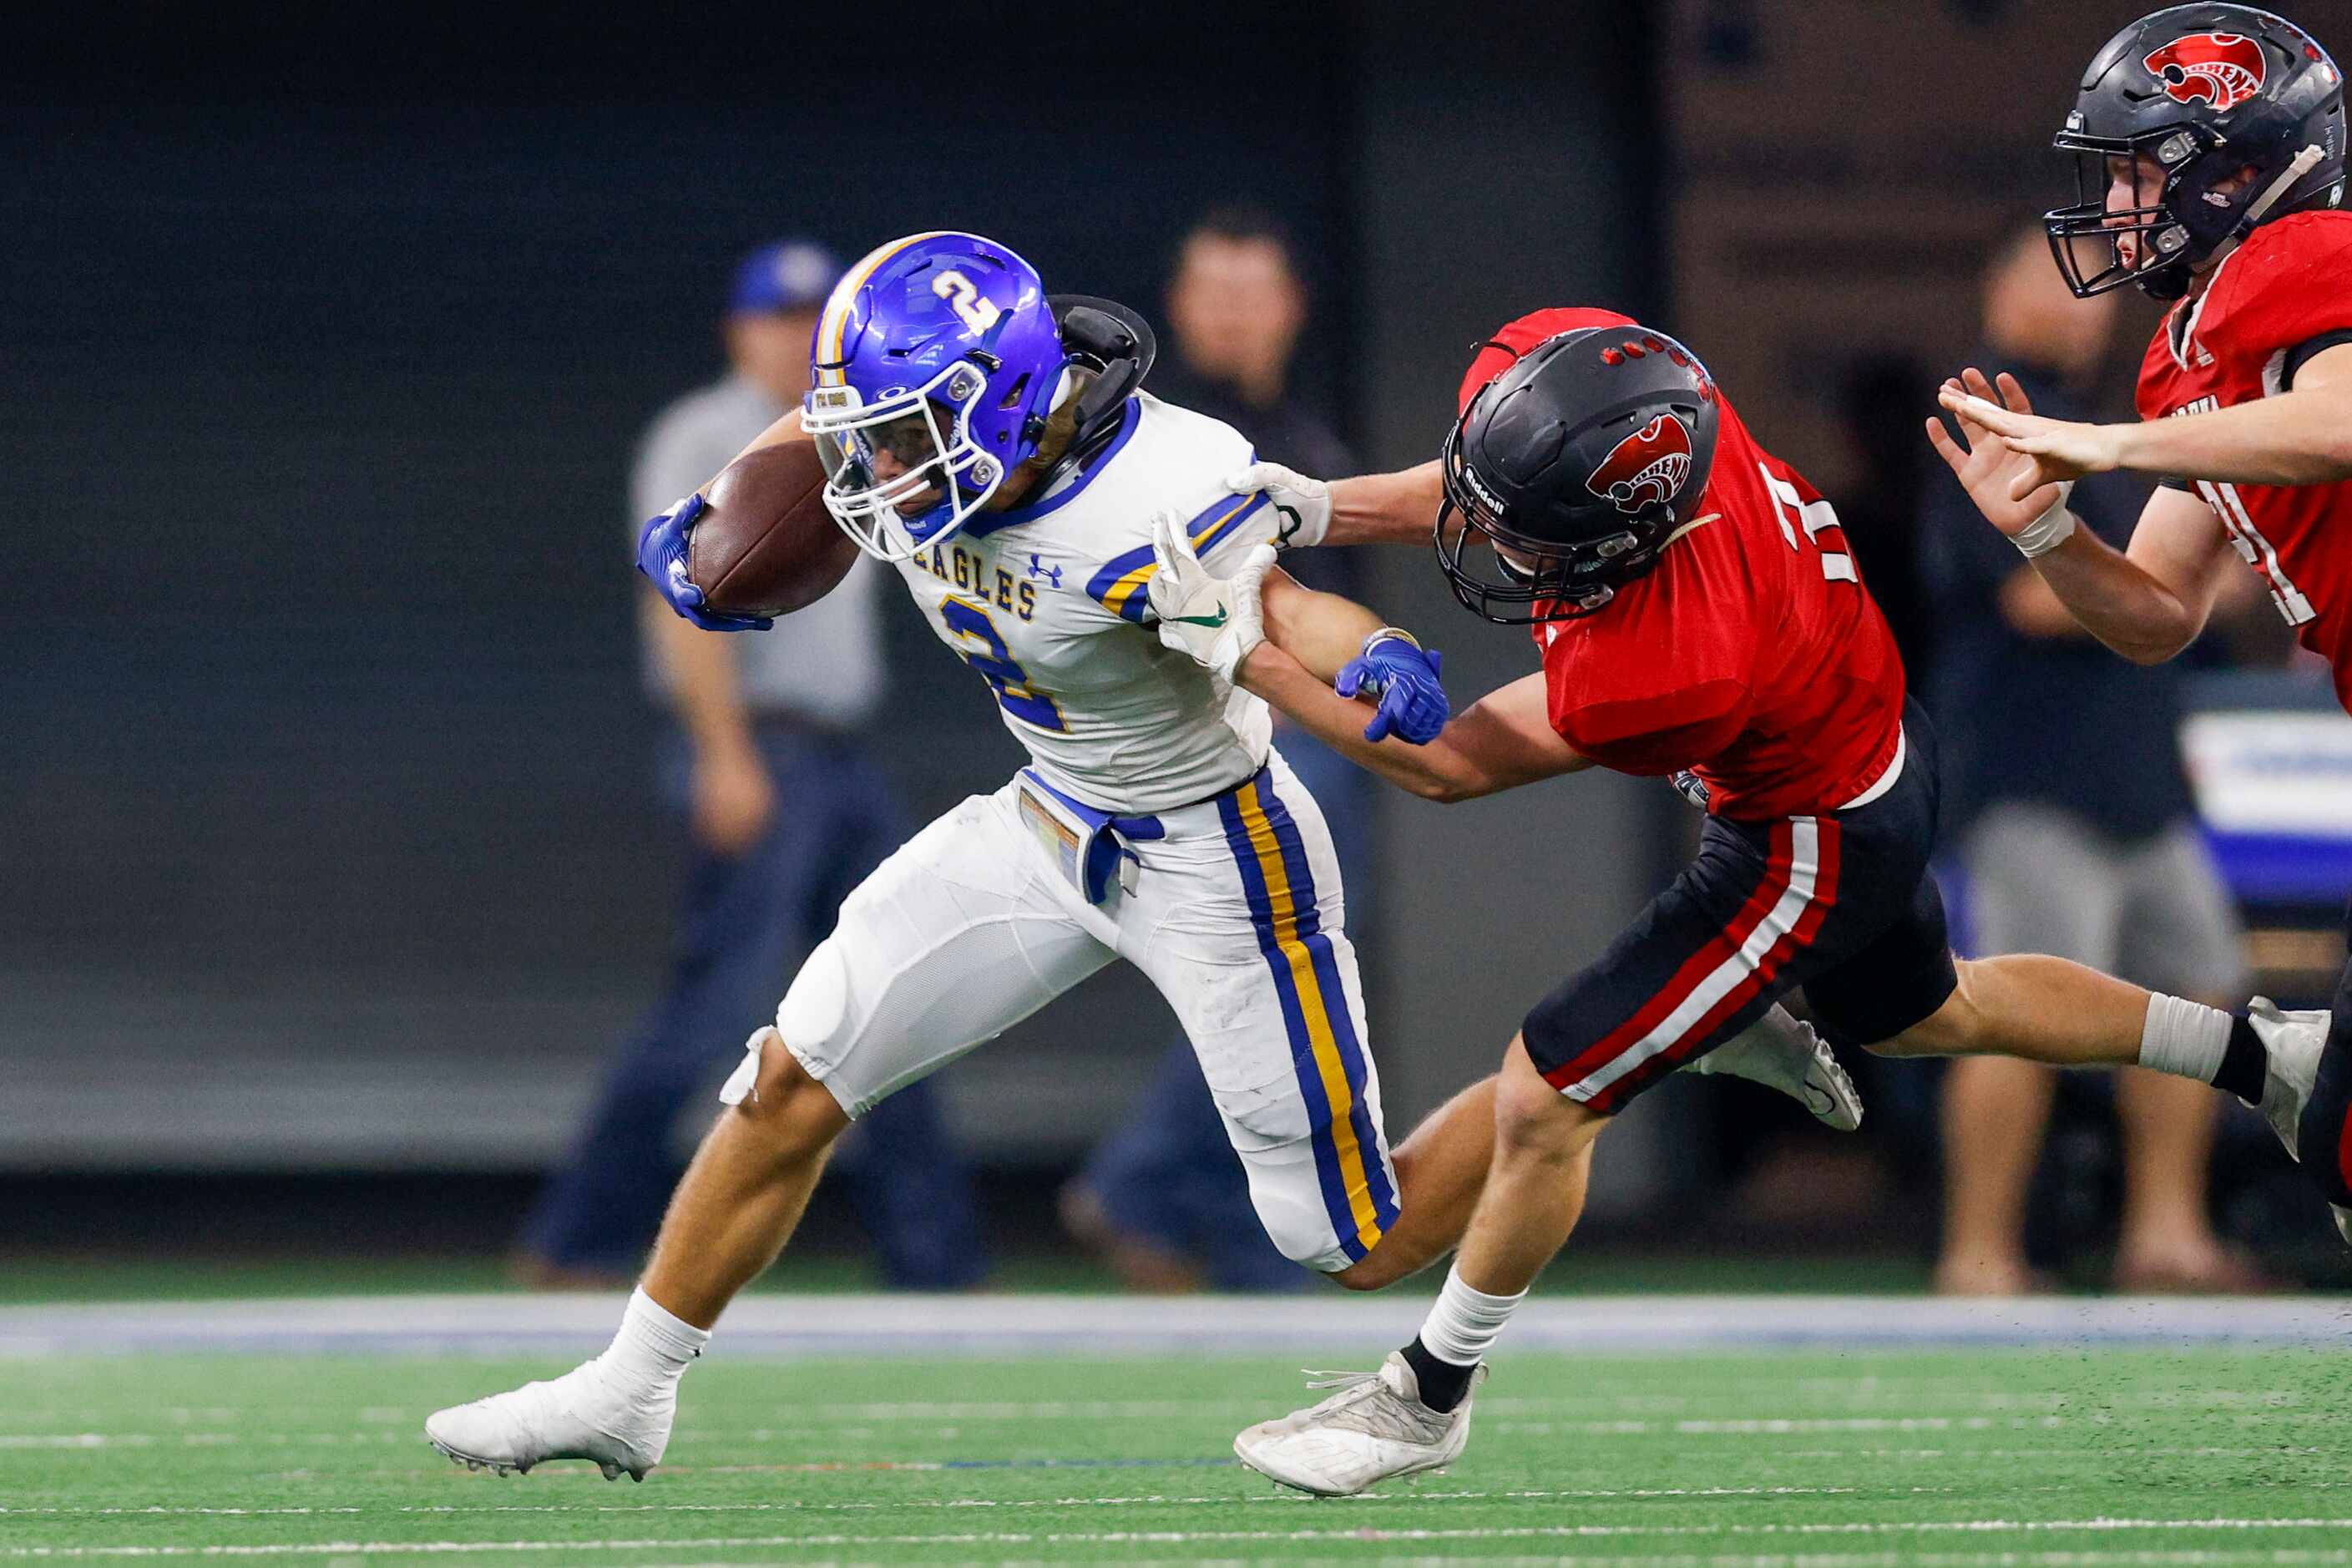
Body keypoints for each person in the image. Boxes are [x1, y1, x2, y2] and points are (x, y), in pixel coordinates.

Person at [425, 231, 1844, 1484]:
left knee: (1352, 1240)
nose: (876, 470)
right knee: (792, 1071)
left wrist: (1387, 653)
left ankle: (1680, 1036)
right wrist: (725, 518)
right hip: (1043, 818)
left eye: (906, 437)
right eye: (871, 434)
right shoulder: (901, 430)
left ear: (1002, 404)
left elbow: (1291, 608)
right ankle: (627, 1389)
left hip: (1220, 851)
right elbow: (811, 446)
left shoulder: (1167, 485)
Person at [1151, 304, 2317, 1497]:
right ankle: (2255, 1053)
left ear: (1627, 538)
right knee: (1934, 1012)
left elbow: (1451, 763)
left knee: (1549, 1088)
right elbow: (1492, 484)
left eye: (1546, 545)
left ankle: (1428, 1394)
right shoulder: (1627, 387)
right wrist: (1321, 506)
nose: (1511, 554)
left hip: (1805, 840)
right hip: (1873, 754)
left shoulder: (1671, 662)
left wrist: (1234, 646)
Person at [1922, 3, 2352, 1235]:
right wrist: (2052, 531)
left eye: (2135, 167)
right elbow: (2157, 609)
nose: (2114, 204)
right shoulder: (2187, 347)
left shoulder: (2304, 256)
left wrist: (2109, 441)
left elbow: (2338, 419)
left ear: (2237, 168)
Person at [514, 240, 987, 1292]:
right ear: (739, 330)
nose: (792, 334)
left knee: (898, 993)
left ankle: (936, 1263)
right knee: (717, 1001)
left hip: (841, 756)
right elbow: (675, 599)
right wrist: (724, 755)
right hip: (757, 744)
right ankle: (577, 1238)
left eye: (811, 316)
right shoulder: (706, 431)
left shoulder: (861, 429)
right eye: (776, 317)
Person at [1922, 225, 2254, 1297]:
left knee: (2200, 995)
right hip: (2033, 779)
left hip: (2143, 780)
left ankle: (2166, 1235)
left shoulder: (2131, 429)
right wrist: (2167, 582)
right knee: (2019, 1012)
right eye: (2047, 277)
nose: (2077, 302)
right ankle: (1979, 1254)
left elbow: (2190, 582)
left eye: (2091, 285)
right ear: (1994, 285)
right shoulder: (1981, 420)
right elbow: (2033, 598)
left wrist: (2184, 581)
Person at [1062, 208, 1369, 1292]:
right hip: (1226, 735)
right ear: (1179, 308)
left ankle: (1244, 1235)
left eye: (1255, 291)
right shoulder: (1152, 436)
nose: (1235, 313)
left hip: (1314, 728)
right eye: (1214, 292)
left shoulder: (1301, 428)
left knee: (1274, 981)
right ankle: (1145, 1181)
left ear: (1290, 305)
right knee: (1284, 978)